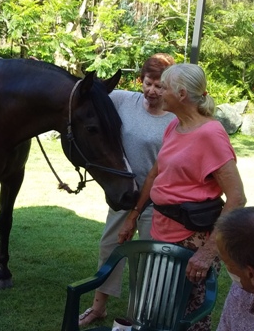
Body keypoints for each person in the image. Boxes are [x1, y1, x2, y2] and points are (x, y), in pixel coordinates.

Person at [118, 63, 247, 331]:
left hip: (192, 240)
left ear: (181, 93)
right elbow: (155, 174)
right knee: (156, 309)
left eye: (163, 87)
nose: (158, 92)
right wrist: (133, 216)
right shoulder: (174, 126)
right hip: (160, 231)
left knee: (186, 318)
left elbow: (236, 198)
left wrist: (208, 252)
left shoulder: (211, 134)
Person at [78, 53, 176, 326]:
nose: (152, 91)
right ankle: (99, 307)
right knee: (109, 248)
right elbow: (89, 99)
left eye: (159, 86)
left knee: (147, 261)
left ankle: (138, 316)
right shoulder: (122, 100)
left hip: (154, 202)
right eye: (148, 83)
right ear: (140, 80)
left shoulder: (174, 120)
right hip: (123, 195)